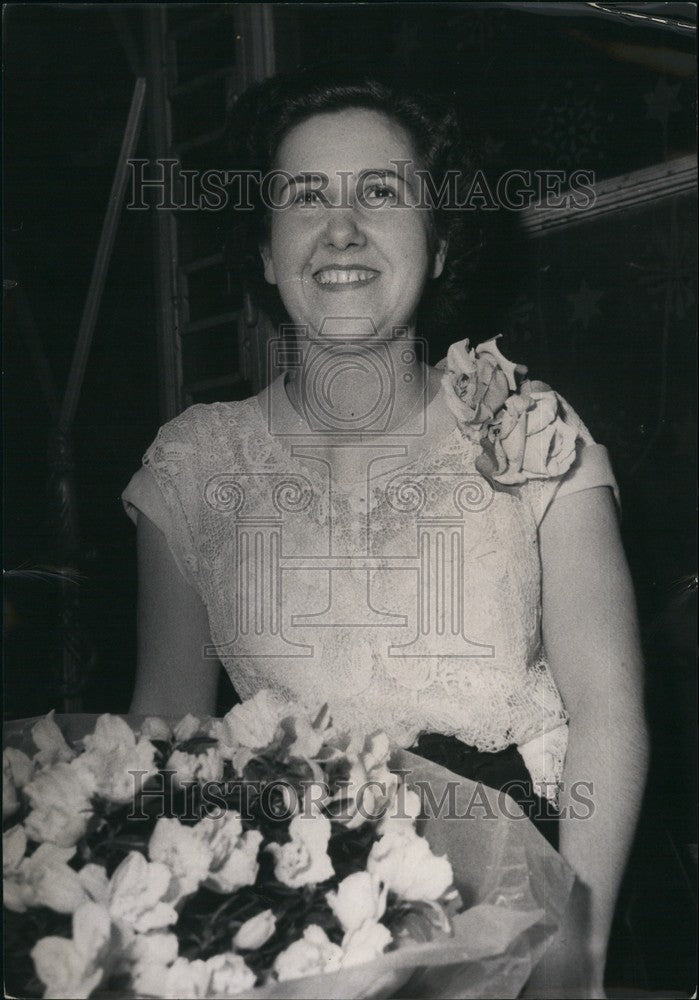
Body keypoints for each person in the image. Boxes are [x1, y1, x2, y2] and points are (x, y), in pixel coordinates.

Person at [123, 67, 648, 997]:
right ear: (263, 251)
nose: (341, 230)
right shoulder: (193, 464)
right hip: (286, 913)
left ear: (440, 244)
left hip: (516, 898)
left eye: (381, 194)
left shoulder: (522, 425)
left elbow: (606, 714)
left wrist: (582, 947)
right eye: (303, 198)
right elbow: (163, 730)